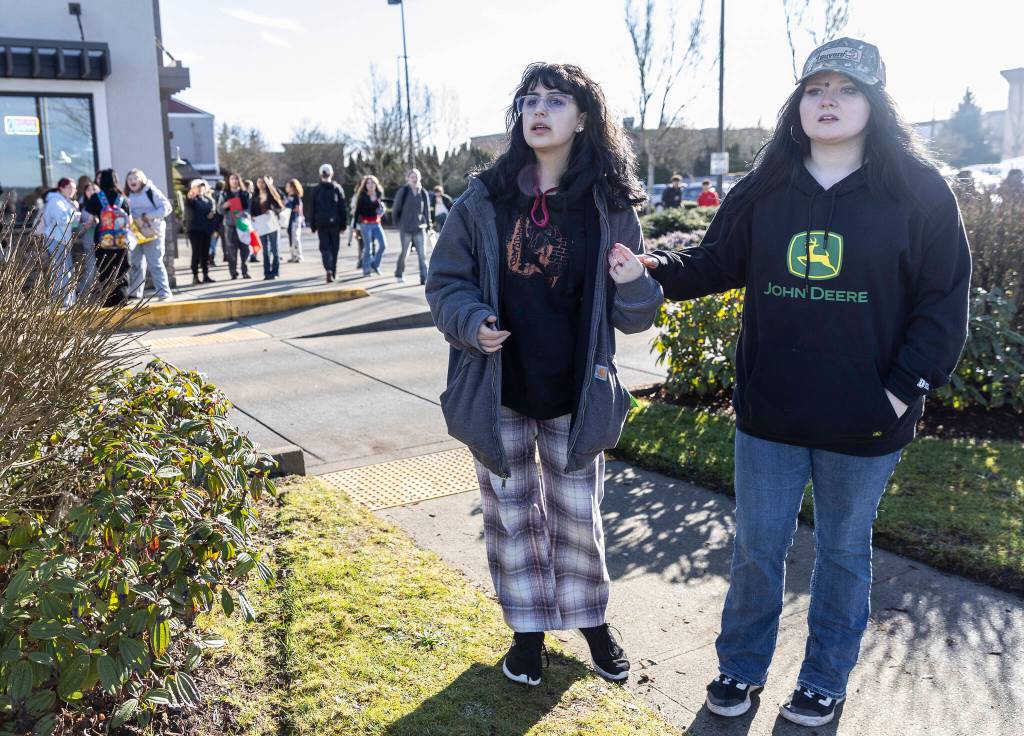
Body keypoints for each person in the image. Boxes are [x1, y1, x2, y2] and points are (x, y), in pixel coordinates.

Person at [629, 38, 971, 727]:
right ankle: (741, 669)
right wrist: (649, 268)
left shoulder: (920, 192)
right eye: (816, 88)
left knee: (844, 552)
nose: (829, 101)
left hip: (868, 418)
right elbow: (715, 260)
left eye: (846, 89)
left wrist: (902, 390)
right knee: (758, 545)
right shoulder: (767, 186)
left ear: (874, 103)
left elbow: (944, 303)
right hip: (771, 412)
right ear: (798, 102)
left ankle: (823, 679)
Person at [425, 62, 664, 688]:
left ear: (582, 118)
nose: (540, 111)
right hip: (497, 387)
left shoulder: (608, 207)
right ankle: (526, 634)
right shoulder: (484, 199)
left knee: (577, 515)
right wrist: (470, 321)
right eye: (530, 100)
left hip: (576, 392)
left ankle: (592, 624)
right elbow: (445, 282)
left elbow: (633, 315)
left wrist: (635, 282)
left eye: (556, 101)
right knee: (510, 515)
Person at [83, 168, 133, 307]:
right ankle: (122, 298)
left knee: (105, 269)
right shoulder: (123, 199)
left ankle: (108, 300)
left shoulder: (96, 197)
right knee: (121, 270)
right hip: (121, 240)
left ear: (101, 180)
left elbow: (92, 219)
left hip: (103, 240)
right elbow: (129, 221)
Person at [124, 168, 174, 301]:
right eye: (130, 179)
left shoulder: (151, 191)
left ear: (142, 179)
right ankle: (135, 292)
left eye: (135, 178)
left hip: (153, 232)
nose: (133, 181)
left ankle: (164, 293)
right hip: (135, 234)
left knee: (155, 263)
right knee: (136, 263)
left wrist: (148, 216)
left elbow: (167, 207)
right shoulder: (127, 196)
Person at [39, 177, 79, 305]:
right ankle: (61, 301)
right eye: (69, 188)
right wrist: (75, 213)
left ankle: (67, 300)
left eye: (74, 188)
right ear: (61, 188)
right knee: (61, 271)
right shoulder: (56, 201)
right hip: (56, 238)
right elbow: (62, 219)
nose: (72, 190)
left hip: (61, 239)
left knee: (65, 270)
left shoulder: (63, 201)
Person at [308, 163, 347, 283]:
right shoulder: (337, 188)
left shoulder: (316, 190)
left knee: (324, 248)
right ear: (332, 174)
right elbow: (342, 208)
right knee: (334, 248)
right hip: (334, 223)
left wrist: (313, 225)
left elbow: (312, 208)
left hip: (321, 224)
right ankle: (333, 271)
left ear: (320, 175)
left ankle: (328, 269)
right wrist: (343, 225)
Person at [392, 168, 432, 284]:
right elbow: (395, 209)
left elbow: (427, 211)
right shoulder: (403, 191)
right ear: (407, 178)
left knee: (422, 254)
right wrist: (397, 224)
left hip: (420, 228)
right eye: (412, 177)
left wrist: (429, 225)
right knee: (404, 252)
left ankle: (424, 278)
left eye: (417, 176)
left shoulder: (423, 192)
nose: (415, 179)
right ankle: (399, 273)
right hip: (406, 228)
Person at [218, 173, 252, 280]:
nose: (234, 181)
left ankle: (245, 271)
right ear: (229, 181)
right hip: (230, 225)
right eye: (232, 179)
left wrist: (244, 214)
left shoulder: (245, 193)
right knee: (231, 250)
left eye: (236, 179)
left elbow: (249, 208)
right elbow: (219, 209)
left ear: (239, 181)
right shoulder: (224, 194)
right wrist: (226, 205)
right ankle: (233, 272)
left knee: (245, 249)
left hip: (242, 224)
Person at [352, 174, 387, 277]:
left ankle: (375, 265)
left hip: (376, 223)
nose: (370, 185)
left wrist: (382, 209)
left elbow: (380, 210)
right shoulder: (362, 197)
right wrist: (354, 227)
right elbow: (357, 212)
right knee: (368, 248)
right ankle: (366, 270)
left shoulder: (379, 195)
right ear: (365, 185)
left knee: (383, 245)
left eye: (372, 183)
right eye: (368, 183)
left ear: (376, 184)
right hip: (365, 224)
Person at [185, 179, 218, 285]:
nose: (200, 188)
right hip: (195, 230)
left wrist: (212, 213)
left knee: (205, 253)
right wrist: (190, 196)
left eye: (202, 186)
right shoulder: (192, 199)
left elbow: (213, 210)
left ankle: (205, 275)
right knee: (196, 253)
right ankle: (195, 276)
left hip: (206, 229)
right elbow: (189, 202)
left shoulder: (208, 199)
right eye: (198, 186)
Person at [251, 176, 284, 280]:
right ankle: (266, 273)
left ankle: (275, 272)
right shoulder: (255, 197)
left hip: (272, 224)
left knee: (275, 249)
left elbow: (280, 207)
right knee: (265, 250)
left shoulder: (272, 195)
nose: (261, 184)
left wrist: (272, 210)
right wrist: (252, 216)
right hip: (261, 225)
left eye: (263, 182)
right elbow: (252, 211)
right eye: (259, 182)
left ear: (266, 183)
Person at [73, 180, 100, 300]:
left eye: (94, 189)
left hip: (107, 242)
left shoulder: (104, 205)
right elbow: (74, 228)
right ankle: (83, 296)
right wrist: (86, 225)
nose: (92, 192)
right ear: (84, 193)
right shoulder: (80, 208)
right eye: (89, 190)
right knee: (91, 271)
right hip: (90, 244)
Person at [284, 179, 305, 263]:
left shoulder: (296, 197)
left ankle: (299, 255)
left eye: (288, 186)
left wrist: (289, 209)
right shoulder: (288, 197)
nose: (286, 187)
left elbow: (297, 208)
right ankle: (293, 256)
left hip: (295, 219)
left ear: (292, 187)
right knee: (290, 237)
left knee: (295, 237)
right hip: (288, 220)